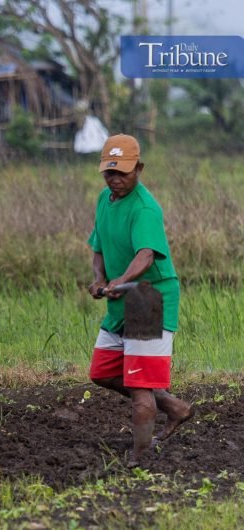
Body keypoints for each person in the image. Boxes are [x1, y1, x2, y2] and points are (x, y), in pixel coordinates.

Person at [87, 134, 193, 467]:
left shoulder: (145, 208)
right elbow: (98, 246)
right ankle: (173, 407)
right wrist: (99, 279)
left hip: (148, 297)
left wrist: (122, 280)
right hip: (122, 297)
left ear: (139, 169)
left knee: (141, 385)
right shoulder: (105, 200)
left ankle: (141, 457)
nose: (116, 180)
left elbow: (147, 254)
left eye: (123, 173)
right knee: (102, 371)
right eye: (110, 172)